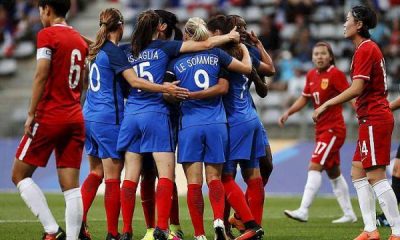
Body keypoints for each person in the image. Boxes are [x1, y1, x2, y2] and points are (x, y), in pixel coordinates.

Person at [116, 10, 240, 240]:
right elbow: (205, 45)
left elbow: (101, 48)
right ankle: (163, 227)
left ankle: (125, 231)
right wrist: (229, 37)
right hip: (157, 114)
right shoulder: (166, 48)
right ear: (159, 27)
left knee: (131, 176)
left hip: (131, 115)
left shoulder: (126, 51)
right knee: (166, 174)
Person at [80, 8, 189, 240]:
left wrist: (69, 32)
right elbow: (134, 80)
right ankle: (121, 232)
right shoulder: (160, 49)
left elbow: (98, 46)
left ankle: (105, 226)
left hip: (92, 116)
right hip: (118, 117)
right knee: (133, 176)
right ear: (120, 26)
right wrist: (166, 88)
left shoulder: (111, 50)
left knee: (100, 173)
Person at [166, 17, 259, 240]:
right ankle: (218, 220)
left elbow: (167, 93)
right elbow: (232, 80)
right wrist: (245, 48)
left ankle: (199, 234)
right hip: (216, 123)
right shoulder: (216, 55)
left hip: (189, 123)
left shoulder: (175, 62)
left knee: (193, 183)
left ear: (187, 36)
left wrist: (178, 96)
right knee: (215, 178)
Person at [313, 5, 400, 240]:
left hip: (374, 118)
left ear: (359, 24)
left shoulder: (365, 49)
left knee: (376, 175)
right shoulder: (365, 49)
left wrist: (327, 104)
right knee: (358, 172)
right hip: (370, 118)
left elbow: (358, 87)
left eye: (348, 19)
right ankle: (371, 230)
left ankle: (397, 231)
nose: (344, 23)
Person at [10, 0, 87, 239]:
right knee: (71, 186)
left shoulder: (47, 34)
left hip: (49, 115)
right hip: (75, 116)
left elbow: (41, 73)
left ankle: (52, 231)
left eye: (40, 10)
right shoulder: (79, 39)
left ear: (46, 9)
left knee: (19, 175)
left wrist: (31, 113)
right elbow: (82, 80)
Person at [278, 41, 357, 223]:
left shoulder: (335, 74)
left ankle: (303, 210)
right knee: (333, 172)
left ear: (330, 57)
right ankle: (349, 214)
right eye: (316, 54)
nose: (319, 57)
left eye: (323, 54)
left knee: (314, 165)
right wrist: (288, 112)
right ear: (312, 57)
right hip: (321, 130)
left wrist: (360, 113)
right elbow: (304, 98)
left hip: (333, 129)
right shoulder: (311, 75)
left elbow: (350, 94)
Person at [139, 9, 184, 240]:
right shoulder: (138, 48)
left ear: (161, 26)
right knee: (151, 172)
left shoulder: (173, 49)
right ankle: (156, 228)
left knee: (160, 172)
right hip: (148, 115)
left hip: (165, 115)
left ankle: (168, 226)